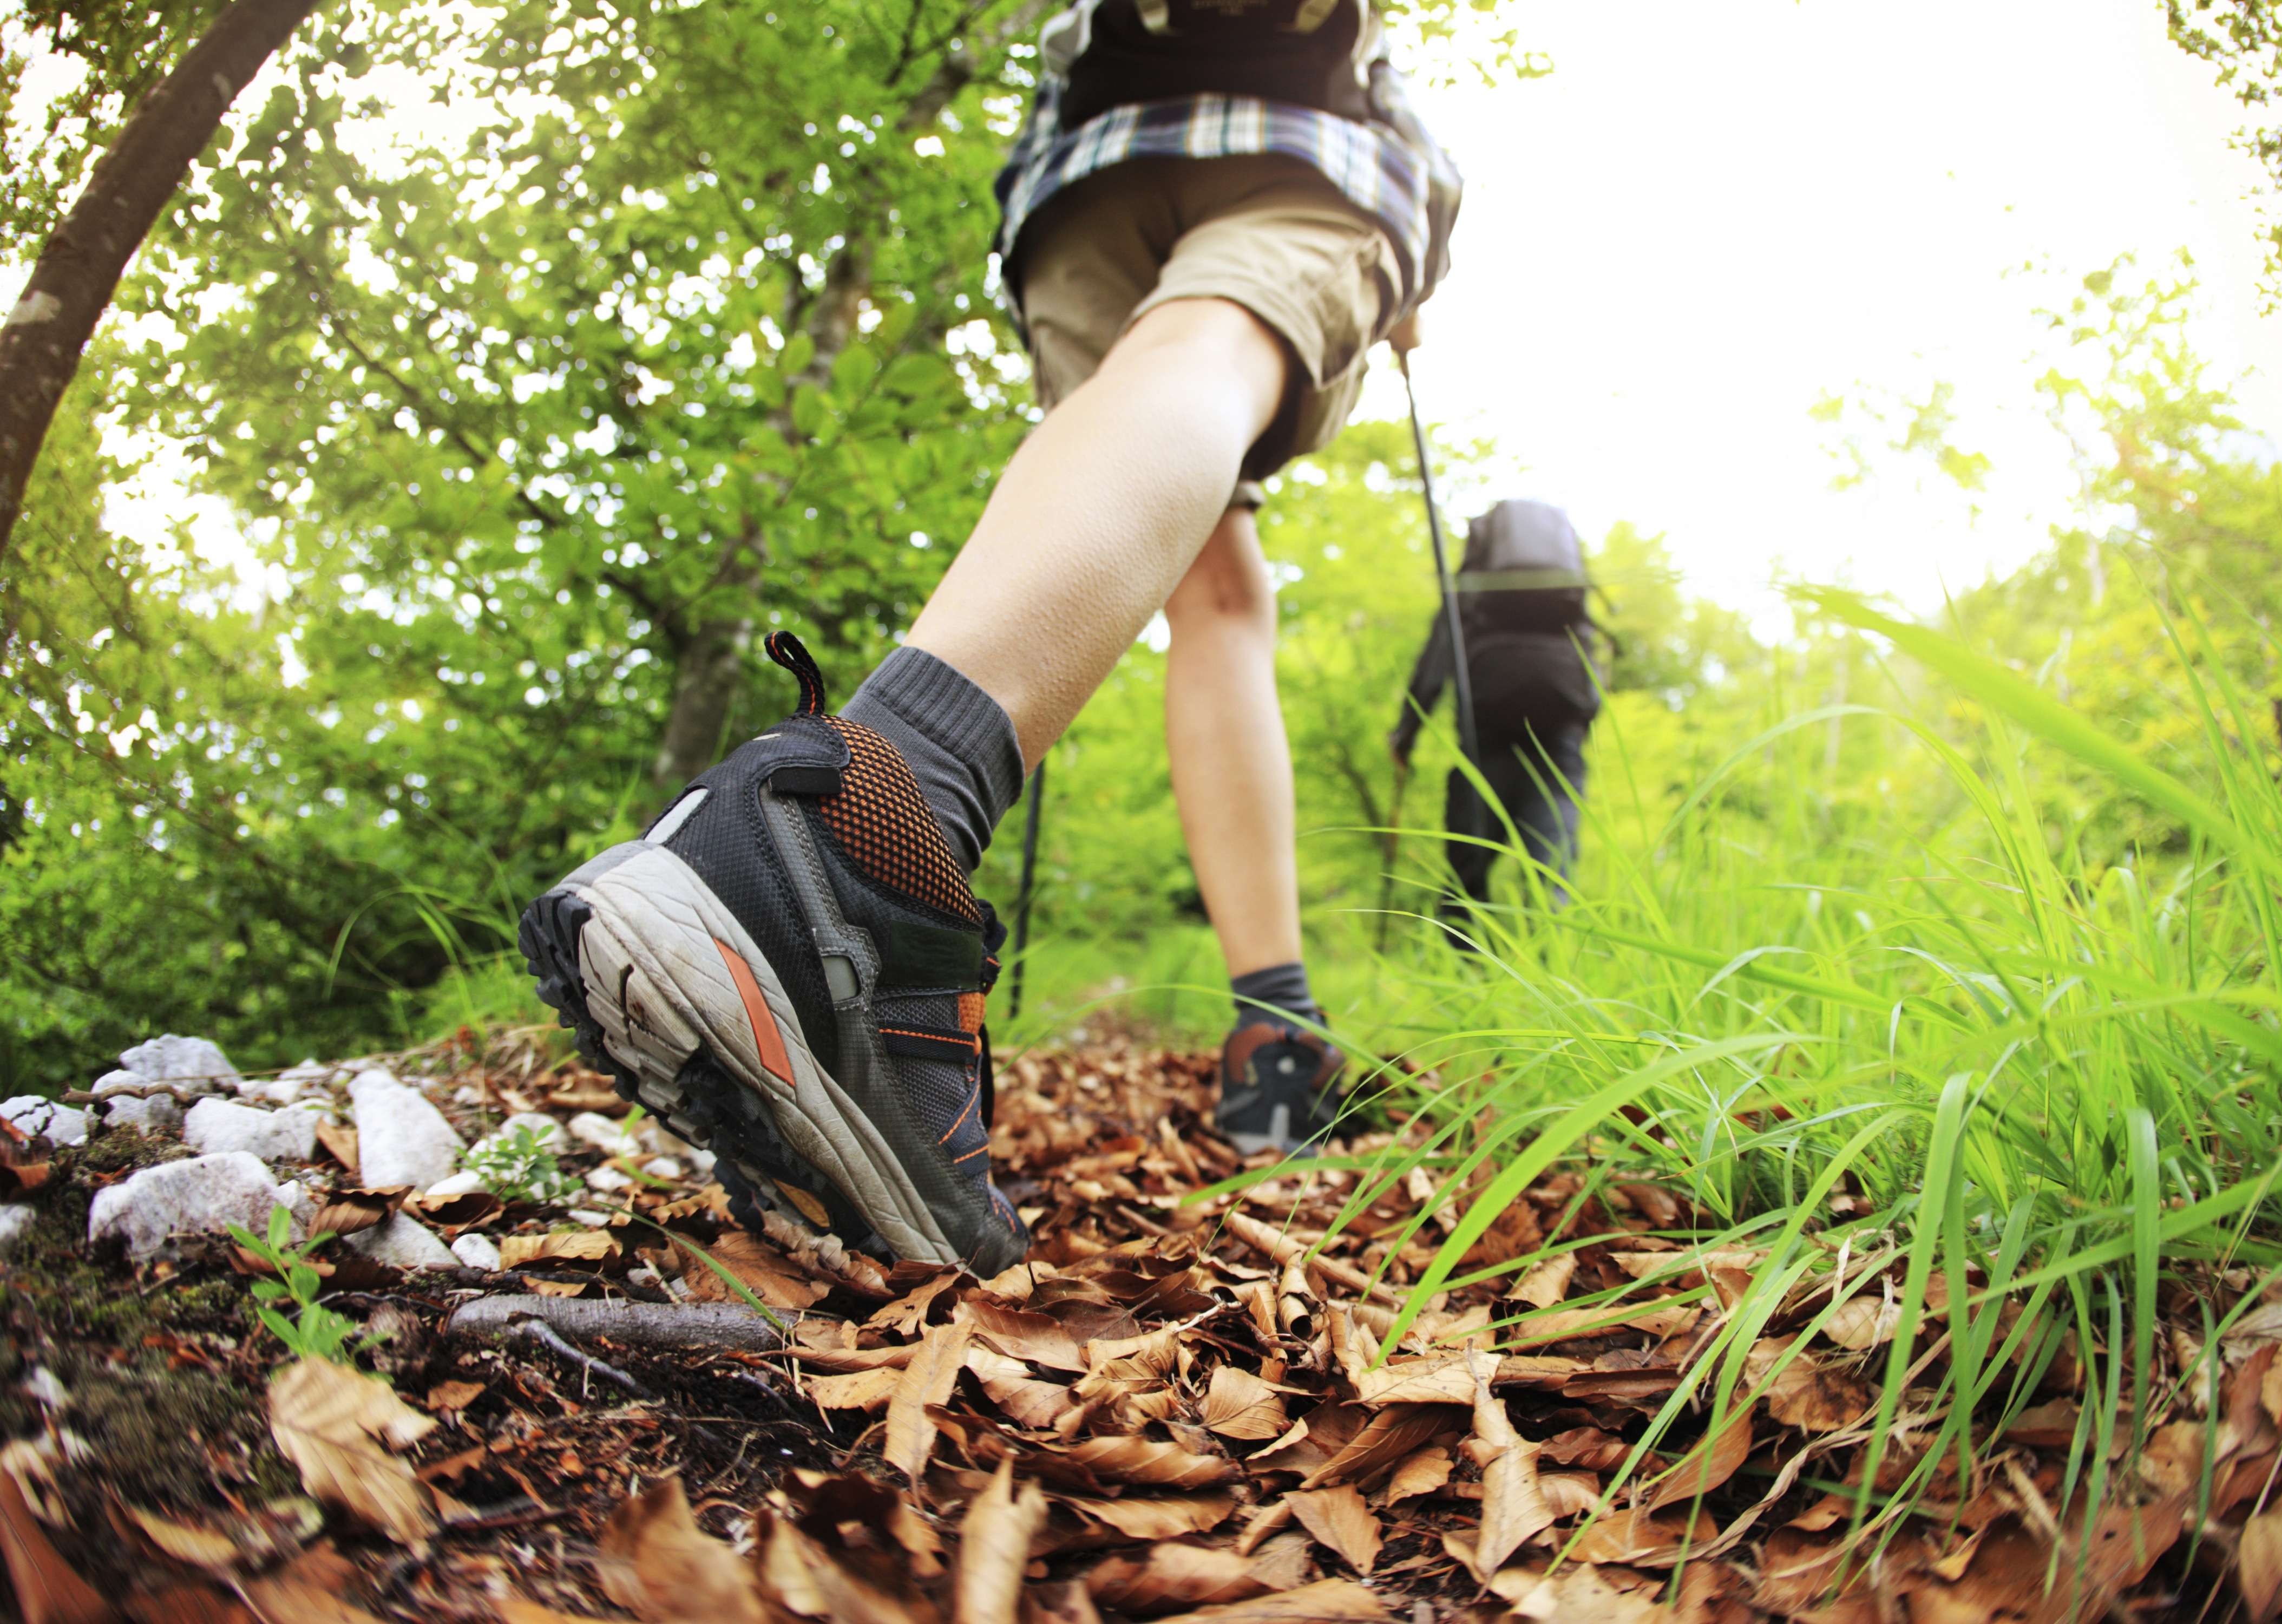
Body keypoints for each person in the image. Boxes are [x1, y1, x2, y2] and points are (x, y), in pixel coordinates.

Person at [518, 0, 1461, 1275]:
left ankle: (1271, 1041)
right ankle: (856, 827)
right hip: (1303, 137)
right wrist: (1418, 253)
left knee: (1216, 581)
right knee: (1207, 349)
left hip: (1080, 189)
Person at [1390, 499, 1602, 936]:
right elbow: (1592, 681)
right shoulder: (1568, 604)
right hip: (1559, 751)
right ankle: (1553, 989)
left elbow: (1434, 665)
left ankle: (1462, 981)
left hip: (1485, 744)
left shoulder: (1471, 601)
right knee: (1553, 876)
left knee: (1466, 880)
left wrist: (1405, 736)